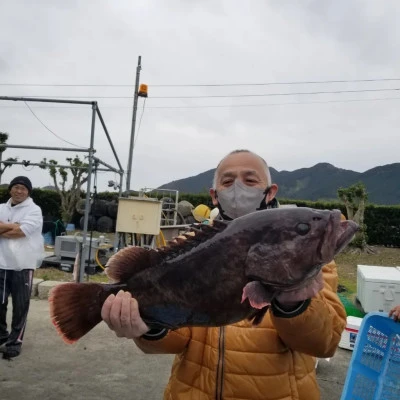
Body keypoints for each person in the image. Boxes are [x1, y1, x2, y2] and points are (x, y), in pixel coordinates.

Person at [101, 150, 347, 400]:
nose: (238, 188)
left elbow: (323, 344)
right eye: (227, 182)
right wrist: (147, 329)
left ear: (270, 191)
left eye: (250, 180)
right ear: (214, 195)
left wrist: (295, 306)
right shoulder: (189, 246)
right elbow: (178, 339)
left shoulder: (312, 260)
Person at [0, 176, 44, 359]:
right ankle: (2, 336)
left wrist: (5, 227)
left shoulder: (34, 210)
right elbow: (17, 229)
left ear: (28, 192)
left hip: (23, 265)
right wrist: (15, 226)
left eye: (23, 189)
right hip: (1, 263)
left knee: (20, 306)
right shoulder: (1, 208)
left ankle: (14, 342)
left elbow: (21, 232)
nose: (19, 191)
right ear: (10, 189)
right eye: (16, 187)